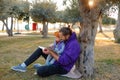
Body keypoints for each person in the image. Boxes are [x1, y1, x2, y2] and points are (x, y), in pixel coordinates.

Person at [11, 27, 81, 77]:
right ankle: (23, 66)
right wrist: (51, 49)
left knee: (40, 71)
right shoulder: (66, 40)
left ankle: (43, 67)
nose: (60, 38)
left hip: (62, 67)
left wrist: (51, 52)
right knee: (40, 49)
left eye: (61, 36)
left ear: (67, 35)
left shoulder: (73, 45)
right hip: (56, 60)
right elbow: (59, 50)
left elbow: (63, 61)